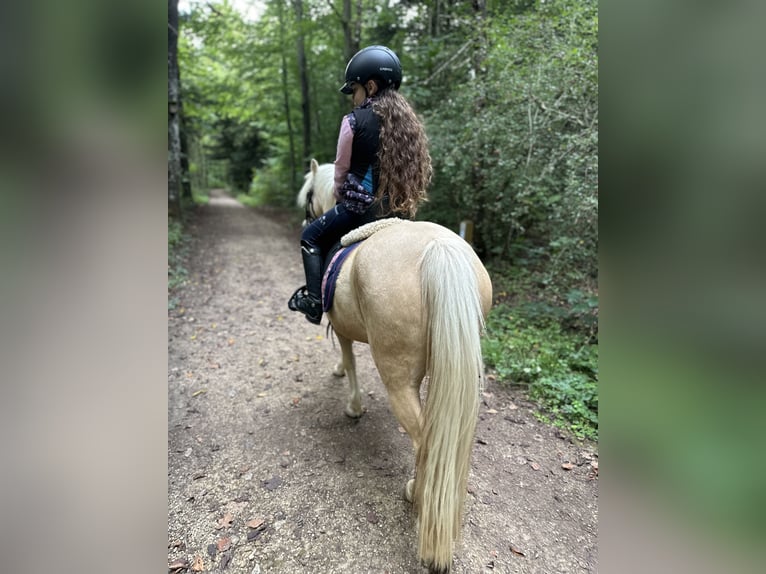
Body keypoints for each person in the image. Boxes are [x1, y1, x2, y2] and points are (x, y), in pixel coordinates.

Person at [288, 45, 432, 324]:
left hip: (359, 209)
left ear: (370, 85)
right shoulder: (410, 125)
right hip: (399, 213)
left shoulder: (353, 121)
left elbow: (340, 172)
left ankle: (315, 302)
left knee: (311, 236)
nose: (353, 98)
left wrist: (340, 193)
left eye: (354, 90)